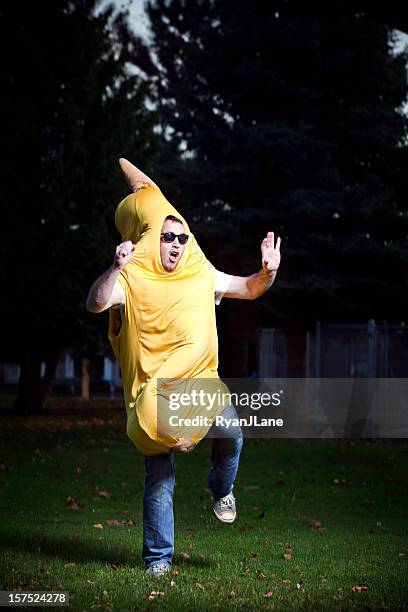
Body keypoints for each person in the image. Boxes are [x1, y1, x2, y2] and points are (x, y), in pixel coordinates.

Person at [86, 159, 281, 575]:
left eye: (182, 237)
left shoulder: (200, 272)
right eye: (168, 236)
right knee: (159, 475)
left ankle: (220, 488)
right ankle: (158, 560)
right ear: (154, 239)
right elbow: (96, 302)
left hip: (202, 387)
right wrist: (116, 267)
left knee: (232, 430)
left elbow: (248, 288)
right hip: (152, 400)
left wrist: (268, 271)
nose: (176, 243)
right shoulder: (133, 278)